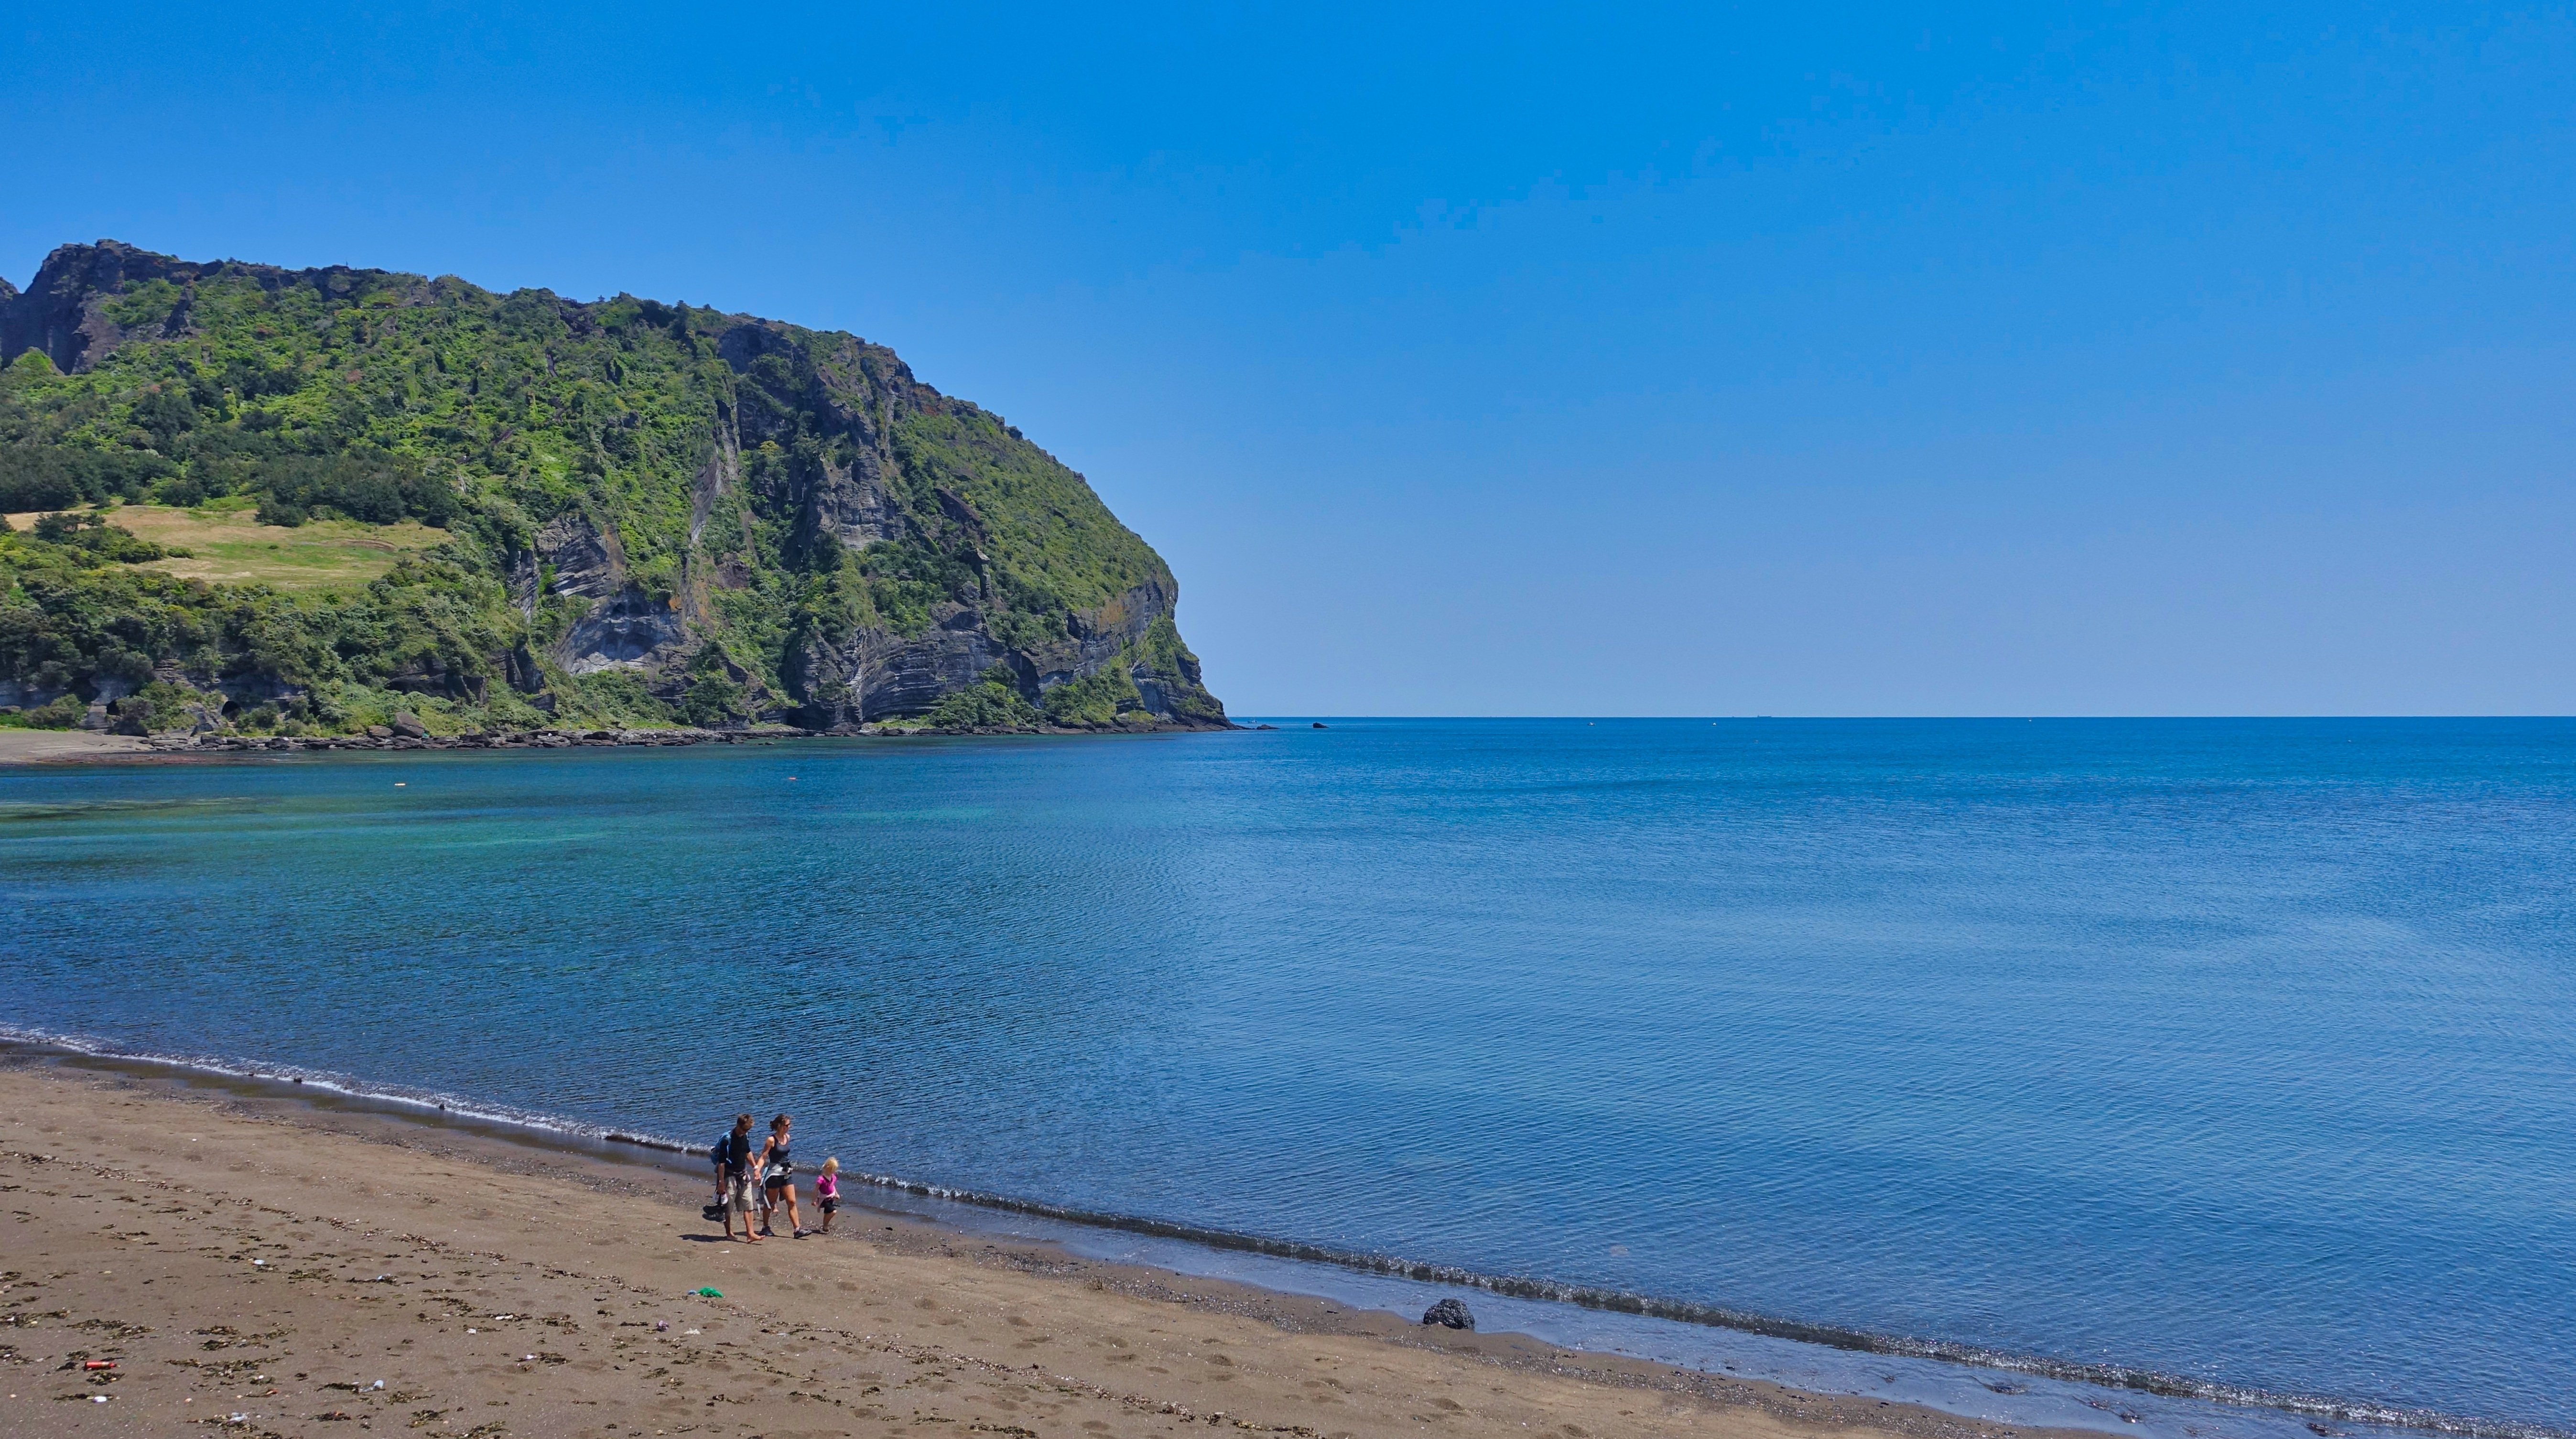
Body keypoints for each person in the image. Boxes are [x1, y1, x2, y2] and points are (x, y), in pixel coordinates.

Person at [755, 1113, 804, 1238]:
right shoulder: (771, 1140)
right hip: (774, 1174)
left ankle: (797, 1230)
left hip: (786, 1173)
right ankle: (765, 1227)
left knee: (792, 1201)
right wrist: (757, 1170)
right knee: (771, 1202)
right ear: (781, 1126)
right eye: (788, 1125)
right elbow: (763, 1157)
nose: (790, 1127)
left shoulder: (788, 1137)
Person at [718, 1113, 761, 1243]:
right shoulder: (727, 1139)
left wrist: (755, 1168)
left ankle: (750, 1233)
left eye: (748, 1130)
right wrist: (721, 1182)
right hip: (729, 1175)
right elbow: (721, 1163)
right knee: (728, 1207)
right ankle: (729, 1232)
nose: (745, 1132)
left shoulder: (745, 1136)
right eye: (744, 1130)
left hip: (743, 1174)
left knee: (749, 1204)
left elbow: (748, 1152)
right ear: (738, 1125)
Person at [813, 1158, 841, 1234]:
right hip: (824, 1199)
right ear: (828, 1168)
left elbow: (833, 1186)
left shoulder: (833, 1177)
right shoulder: (821, 1179)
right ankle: (825, 1225)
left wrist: (836, 1194)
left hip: (831, 1197)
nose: (834, 1171)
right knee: (833, 1212)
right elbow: (816, 1190)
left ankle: (825, 1226)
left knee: (827, 1212)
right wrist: (814, 1200)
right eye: (833, 1169)